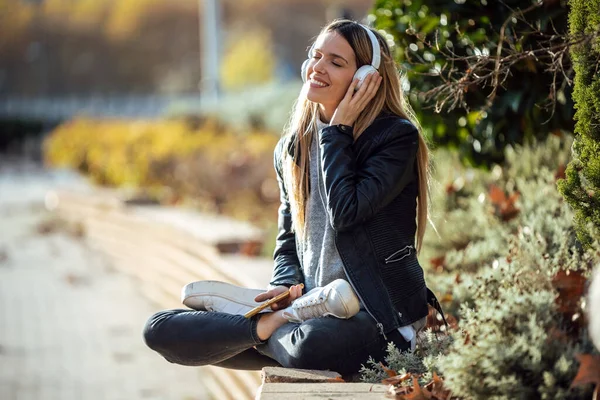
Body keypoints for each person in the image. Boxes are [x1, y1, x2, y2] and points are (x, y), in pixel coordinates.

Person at [143, 19, 441, 377]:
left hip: (375, 319)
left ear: (365, 79)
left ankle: (258, 333)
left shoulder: (393, 138)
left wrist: (338, 131)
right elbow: (289, 238)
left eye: (336, 62)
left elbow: (345, 212)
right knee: (160, 328)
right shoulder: (293, 147)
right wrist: (284, 284)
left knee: (310, 345)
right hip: (306, 310)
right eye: (316, 56)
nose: (317, 68)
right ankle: (268, 327)